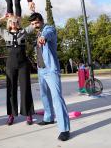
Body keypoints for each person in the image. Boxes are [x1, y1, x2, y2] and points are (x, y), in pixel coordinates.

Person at [28, 12, 70, 141]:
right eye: (33, 24)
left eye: (37, 23)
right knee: (44, 95)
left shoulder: (48, 29)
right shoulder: (38, 32)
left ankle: (65, 129)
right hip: (41, 70)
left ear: (41, 21)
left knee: (57, 97)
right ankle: (48, 117)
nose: (35, 25)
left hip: (51, 70)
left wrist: (43, 38)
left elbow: (49, 34)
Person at [0, 14, 35, 125]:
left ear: (18, 23)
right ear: (8, 23)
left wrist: (33, 12)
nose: (13, 23)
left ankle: (28, 113)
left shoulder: (23, 32)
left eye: (15, 21)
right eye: (11, 21)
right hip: (11, 64)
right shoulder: (4, 33)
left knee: (25, 88)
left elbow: (34, 24)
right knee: (11, 89)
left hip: (23, 64)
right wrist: (2, 18)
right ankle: (11, 115)